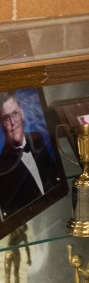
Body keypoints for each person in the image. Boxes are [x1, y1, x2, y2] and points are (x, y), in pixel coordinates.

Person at [0, 91, 60, 219]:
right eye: (6, 118)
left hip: (55, 210)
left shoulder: (37, 139)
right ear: (1, 124)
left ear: (22, 113)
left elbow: (55, 178)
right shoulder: (2, 167)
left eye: (15, 114)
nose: (12, 122)